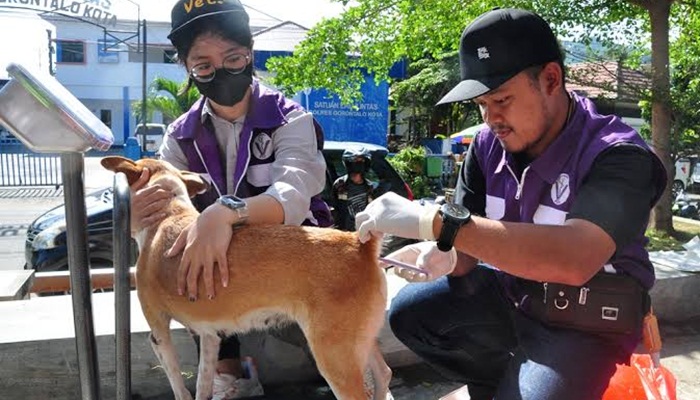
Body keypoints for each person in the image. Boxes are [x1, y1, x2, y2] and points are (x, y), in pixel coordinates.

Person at [356, 8, 667, 400]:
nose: (491, 118)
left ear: (551, 79)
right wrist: (441, 253)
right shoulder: (488, 146)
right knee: (413, 313)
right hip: (511, 299)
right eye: (482, 105)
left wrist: (439, 224)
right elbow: (470, 244)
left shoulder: (617, 155)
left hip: (587, 322)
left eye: (502, 99)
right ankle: (497, 385)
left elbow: (574, 259)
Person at [129, 1, 331, 398]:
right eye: (202, 65)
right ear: (188, 70)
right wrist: (135, 212)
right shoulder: (180, 135)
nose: (219, 71)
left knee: (314, 368)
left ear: (250, 54)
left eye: (232, 57)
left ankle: (347, 374)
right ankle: (227, 372)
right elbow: (162, 200)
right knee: (180, 258)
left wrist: (225, 213)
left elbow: (291, 197)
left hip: (294, 261)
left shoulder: (291, 119)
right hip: (217, 270)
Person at [331, 147, 376, 231]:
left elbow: (372, 209)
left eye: (361, 161)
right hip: (344, 231)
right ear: (348, 163)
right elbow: (335, 207)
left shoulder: (369, 186)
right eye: (355, 161)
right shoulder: (340, 184)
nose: (358, 164)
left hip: (362, 230)